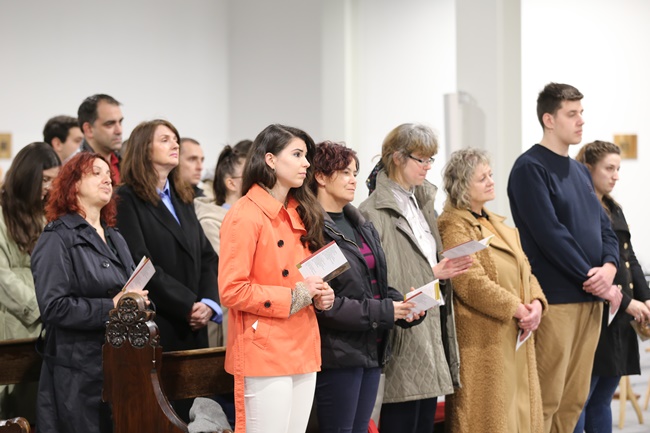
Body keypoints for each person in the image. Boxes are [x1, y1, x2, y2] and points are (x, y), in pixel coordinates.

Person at [507, 83, 621, 433]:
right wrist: (594, 277)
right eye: (572, 114)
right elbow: (550, 235)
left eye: (581, 113)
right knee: (547, 399)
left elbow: (606, 228)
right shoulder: (530, 168)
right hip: (557, 300)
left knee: (575, 400)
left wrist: (609, 268)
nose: (581, 120)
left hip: (591, 300)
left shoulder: (579, 172)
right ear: (549, 119)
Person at [218, 124, 335, 433]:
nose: (306, 163)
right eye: (296, 155)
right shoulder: (245, 214)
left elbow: (304, 277)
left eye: (306, 156)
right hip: (264, 349)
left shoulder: (300, 211)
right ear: (270, 159)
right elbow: (232, 290)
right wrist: (296, 296)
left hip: (303, 342)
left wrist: (321, 295)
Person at [358, 123, 472, 433]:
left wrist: (442, 267)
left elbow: (422, 258)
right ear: (397, 157)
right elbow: (379, 278)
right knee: (402, 418)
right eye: (421, 159)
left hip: (430, 318)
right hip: (402, 327)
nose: (427, 166)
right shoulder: (372, 211)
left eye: (430, 159)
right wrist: (434, 272)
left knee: (423, 420)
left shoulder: (421, 204)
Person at [309, 140, 424, 433]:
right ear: (320, 177)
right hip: (338, 353)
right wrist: (386, 311)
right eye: (345, 172)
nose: (353, 180)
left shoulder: (360, 223)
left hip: (372, 348)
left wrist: (404, 305)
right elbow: (327, 305)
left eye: (355, 173)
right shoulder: (313, 230)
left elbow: (377, 283)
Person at [31, 152, 149, 433]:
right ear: (73, 184)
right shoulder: (56, 237)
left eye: (109, 174)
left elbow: (128, 290)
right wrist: (112, 306)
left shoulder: (114, 236)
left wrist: (139, 301)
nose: (107, 179)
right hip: (78, 372)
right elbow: (54, 307)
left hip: (120, 364)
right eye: (96, 173)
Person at [438, 148, 548, 433]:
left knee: (521, 415)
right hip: (484, 338)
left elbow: (525, 268)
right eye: (482, 178)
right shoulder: (453, 225)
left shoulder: (494, 222)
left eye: (490, 175)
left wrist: (536, 303)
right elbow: (469, 281)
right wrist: (516, 308)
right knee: (490, 419)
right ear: (462, 186)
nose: (491, 182)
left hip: (515, 331)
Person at [116, 119, 221, 353]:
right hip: (159, 321)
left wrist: (208, 303)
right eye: (165, 140)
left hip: (197, 320)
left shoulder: (182, 197)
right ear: (144, 149)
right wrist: (187, 304)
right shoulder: (126, 199)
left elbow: (207, 256)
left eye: (175, 140)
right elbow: (141, 264)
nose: (175, 145)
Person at [573, 141, 650, 433]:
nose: (615, 176)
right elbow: (592, 266)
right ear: (588, 168)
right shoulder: (580, 210)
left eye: (618, 169)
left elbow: (629, 257)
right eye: (609, 168)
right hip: (596, 313)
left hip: (620, 316)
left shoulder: (613, 207)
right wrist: (629, 302)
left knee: (603, 399)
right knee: (582, 400)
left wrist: (646, 297)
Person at [0, 142, 61, 422]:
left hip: (47, 324)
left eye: (53, 180)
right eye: (44, 179)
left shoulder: (47, 214)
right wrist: (40, 307)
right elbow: (3, 276)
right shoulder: (3, 212)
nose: (49, 187)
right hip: (14, 320)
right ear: (27, 175)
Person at [194, 139, 252, 347]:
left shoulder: (254, 217)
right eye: (250, 175)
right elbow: (232, 269)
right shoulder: (210, 222)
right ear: (231, 183)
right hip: (229, 321)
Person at [77, 94, 124, 184]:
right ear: (89, 129)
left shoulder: (126, 165)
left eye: (120, 122)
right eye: (110, 124)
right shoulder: (75, 171)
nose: (119, 131)